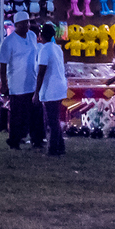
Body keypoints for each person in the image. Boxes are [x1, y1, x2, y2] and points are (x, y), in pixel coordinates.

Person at [0, 14, 43, 151]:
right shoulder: (8, 42)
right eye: (23, 24)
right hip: (17, 85)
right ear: (16, 25)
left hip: (32, 82)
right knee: (17, 115)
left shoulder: (31, 36)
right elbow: (3, 65)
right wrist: (4, 84)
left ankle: (37, 139)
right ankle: (14, 141)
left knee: (35, 113)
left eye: (28, 23)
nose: (27, 26)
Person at [37, 22, 68, 155]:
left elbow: (41, 71)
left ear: (41, 36)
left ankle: (53, 149)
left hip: (51, 88)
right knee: (55, 119)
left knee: (52, 121)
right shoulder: (57, 48)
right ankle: (60, 146)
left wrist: (36, 92)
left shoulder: (44, 49)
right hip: (60, 86)